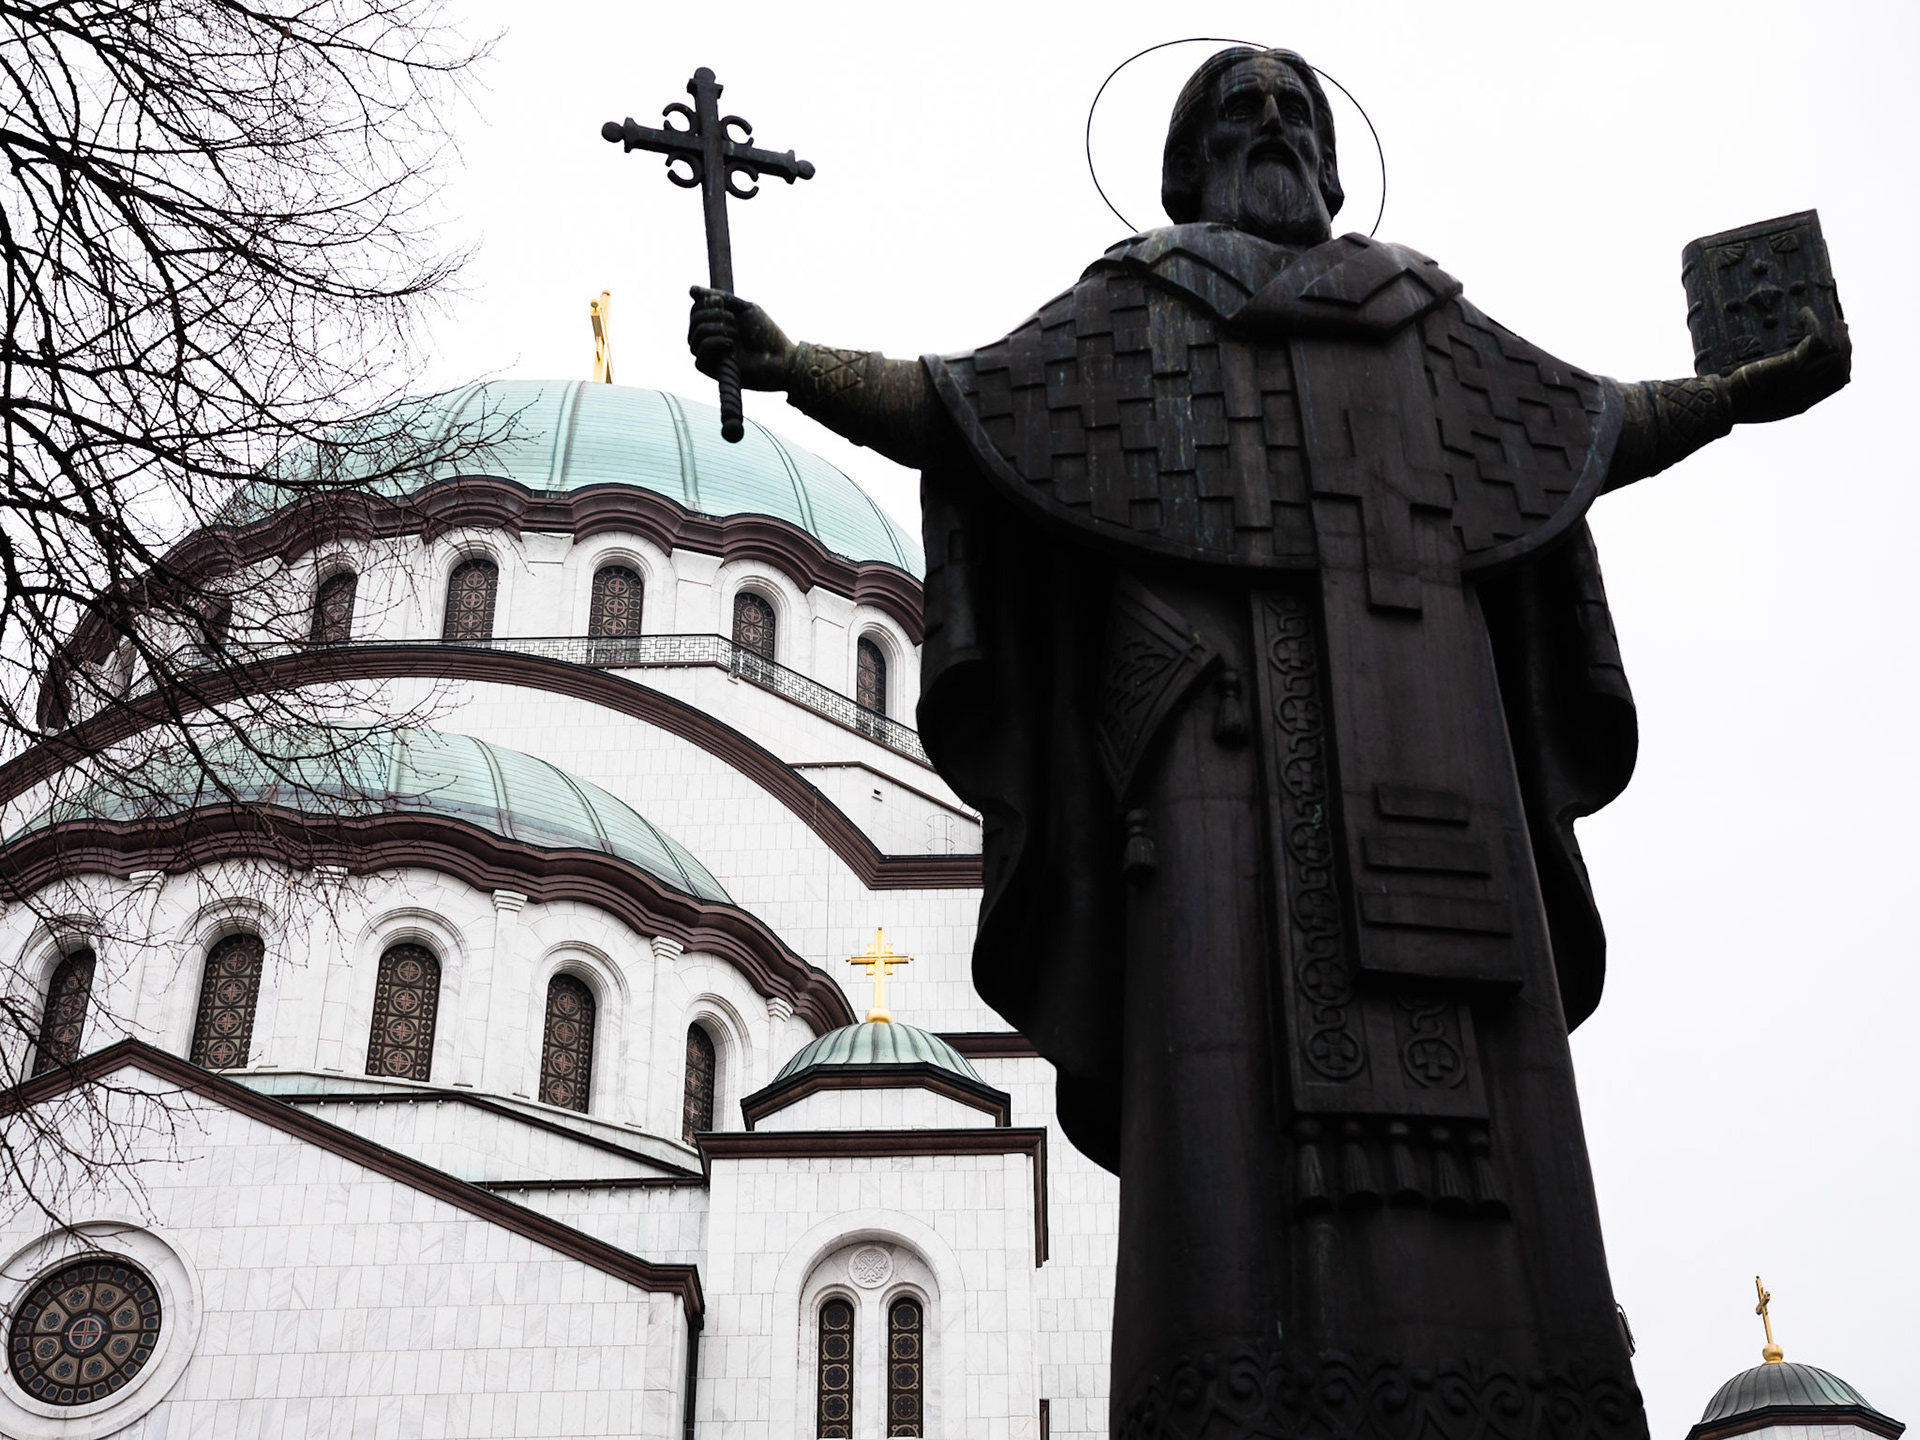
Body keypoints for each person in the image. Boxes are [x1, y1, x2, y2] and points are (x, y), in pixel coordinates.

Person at [691, 47, 1847, 1440]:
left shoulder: (1426, 319)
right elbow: (969, 407)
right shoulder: (1132, 312)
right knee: (1215, 1053)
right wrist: (790, 362)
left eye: (1294, 114)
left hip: (1438, 741)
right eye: (1242, 115)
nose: (1275, 132)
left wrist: (1736, 394)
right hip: (1207, 747)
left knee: (1497, 1078)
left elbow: (1577, 429)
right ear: (1189, 165)